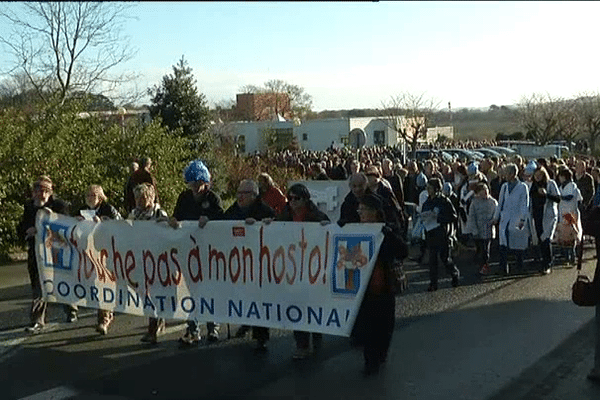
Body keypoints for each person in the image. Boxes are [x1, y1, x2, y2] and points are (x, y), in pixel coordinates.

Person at [170, 160, 226, 347]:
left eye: (197, 183)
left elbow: (223, 219)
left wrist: (209, 219)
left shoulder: (213, 199)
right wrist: (173, 221)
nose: (193, 187)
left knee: (209, 289)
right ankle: (192, 328)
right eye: (191, 183)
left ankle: (213, 326)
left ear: (205, 182)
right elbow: (176, 216)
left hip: (208, 252)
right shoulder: (184, 197)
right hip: (188, 250)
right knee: (190, 290)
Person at [350, 194, 407, 376]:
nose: (360, 213)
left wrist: (388, 236)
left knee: (384, 325)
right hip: (363, 288)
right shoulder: (355, 229)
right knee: (368, 325)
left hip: (384, 284)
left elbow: (402, 251)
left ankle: (380, 354)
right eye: (359, 210)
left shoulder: (386, 229)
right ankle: (370, 361)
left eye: (364, 210)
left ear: (375, 212)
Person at [276, 183, 330, 360]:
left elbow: (328, 231)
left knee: (312, 304)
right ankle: (302, 344)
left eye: (296, 198)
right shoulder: (284, 216)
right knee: (298, 304)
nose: (292, 202)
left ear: (305, 199)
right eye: (290, 198)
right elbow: (273, 231)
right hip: (293, 268)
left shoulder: (316, 216)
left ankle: (317, 336)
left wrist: (326, 226)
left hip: (312, 267)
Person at [225, 180, 276, 351]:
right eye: (238, 192)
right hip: (238, 262)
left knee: (259, 298)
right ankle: (247, 321)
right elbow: (220, 224)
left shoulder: (264, 210)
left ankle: (261, 336)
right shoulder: (233, 210)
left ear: (254, 195)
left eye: (244, 193)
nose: (240, 196)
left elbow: (278, 226)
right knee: (243, 295)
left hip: (259, 262)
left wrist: (266, 224)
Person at [18, 176, 72, 333]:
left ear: (50, 192)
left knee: (60, 281)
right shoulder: (29, 207)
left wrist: (45, 225)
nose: (40, 194)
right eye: (37, 191)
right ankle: (37, 320)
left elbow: (66, 226)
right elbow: (22, 227)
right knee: (38, 285)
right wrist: (27, 230)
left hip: (55, 251)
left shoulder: (59, 205)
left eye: (44, 191)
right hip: (36, 252)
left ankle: (70, 308)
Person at [128, 183, 169, 344]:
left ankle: (152, 330)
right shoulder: (133, 214)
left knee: (155, 293)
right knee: (144, 293)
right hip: (140, 258)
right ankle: (158, 320)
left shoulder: (159, 213)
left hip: (157, 259)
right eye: (137, 197)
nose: (139, 200)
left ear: (151, 197)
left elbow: (168, 233)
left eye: (143, 197)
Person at [79, 185, 122, 335]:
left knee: (104, 283)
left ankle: (104, 319)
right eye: (88, 196)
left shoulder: (108, 209)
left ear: (100, 196)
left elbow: (119, 225)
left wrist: (102, 222)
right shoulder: (83, 210)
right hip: (90, 253)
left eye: (93, 195)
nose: (90, 198)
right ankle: (105, 313)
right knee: (95, 286)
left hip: (107, 252)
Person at [420, 178, 460, 291]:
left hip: (442, 233)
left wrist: (439, 218)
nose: (428, 190)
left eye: (430, 187)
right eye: (427, 187)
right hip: (430, 233)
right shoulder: (427, 202)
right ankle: (433, 283)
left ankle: (454, 273)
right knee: (432, 260)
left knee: (445, 258)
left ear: (436, 189)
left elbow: (453, 216)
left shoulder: (444, 201)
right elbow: (423, 214)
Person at [492, 163, 530, 275]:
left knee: (517, 244)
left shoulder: (523, 187)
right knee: (503, 245)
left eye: (507, 174)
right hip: (505, 218)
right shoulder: (504, 187)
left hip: (517, 218)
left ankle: (519, 266)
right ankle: (503, 268)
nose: (505, 176)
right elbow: (500, 203)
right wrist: (496, 217)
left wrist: (523, 219)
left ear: (513, 174)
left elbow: (525, 204)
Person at [530, 166, 560, 274]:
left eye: (540, 175)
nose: (537, 177)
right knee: (540, 239)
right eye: (536, 175)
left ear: (544, 175)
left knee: (546, 239)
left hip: (548, 215)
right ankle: (543, 261)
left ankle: (548, 263)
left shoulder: (550, 184)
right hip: (537, 215)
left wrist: (546, 194)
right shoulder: (532, 185)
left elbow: (558, 198)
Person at [466, 183, 497, 275]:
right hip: (478, 230)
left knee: (485, 250)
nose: (485, 192)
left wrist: (494, 220)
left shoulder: (493, 202)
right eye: (482, 190)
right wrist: (474, 230)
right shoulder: (475, 202)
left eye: (486, 189)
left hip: (489, 229)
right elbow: (472, 216)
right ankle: (479, 264)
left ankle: (485, 265)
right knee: (480, 248)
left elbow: (496, 213)